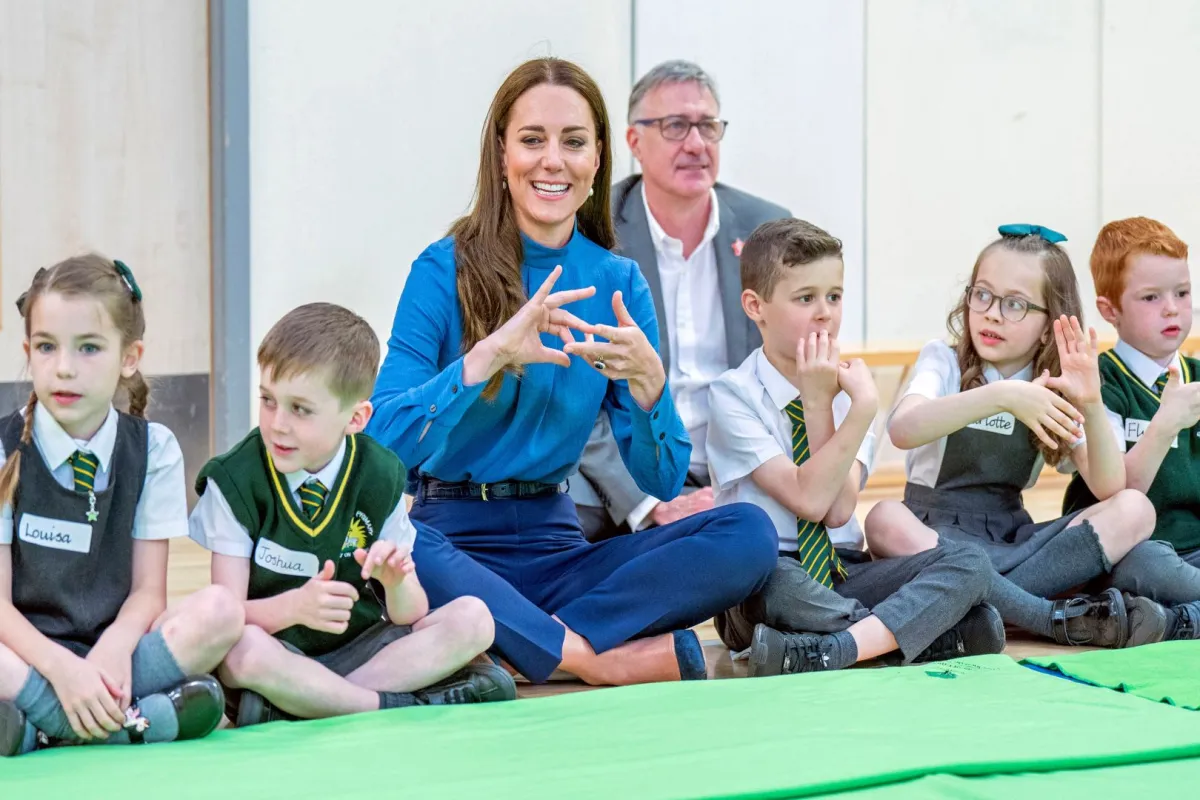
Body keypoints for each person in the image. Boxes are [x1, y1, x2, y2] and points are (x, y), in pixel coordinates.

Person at [366, 57, 777, 687]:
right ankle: (589, 658)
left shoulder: (617, 282)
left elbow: (662, 481)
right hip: (451, 542)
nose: (552, 160)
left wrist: (651, 391)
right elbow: (380, 443)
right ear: (501, 155)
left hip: (562, 553)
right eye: (532, 140)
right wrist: (487, 357)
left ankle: (511, 642)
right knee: (402, 544)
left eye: (573, 142)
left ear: (598, 160)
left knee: (748, 532)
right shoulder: (441, 267)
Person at [189, 303, 515, 726]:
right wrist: (294, 608)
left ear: (356, 418)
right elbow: (226, 615)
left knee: (474, 619)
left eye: (300, 409)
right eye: (268, 400)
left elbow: (409, 614)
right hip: (273, 656)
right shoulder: (235, 479)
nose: (277, 424)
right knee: (240, 651)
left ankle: (307, 706)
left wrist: (396, 583)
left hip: (361, 651)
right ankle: (385, 707)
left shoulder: (379, 475)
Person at [707, 218, 1004, 676]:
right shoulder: (732, 394)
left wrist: (853, 404)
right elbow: (810, 501)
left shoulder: (854, 389)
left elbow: (840, 511)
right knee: (779, 589)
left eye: (835, 296)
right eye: (806, 298)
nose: (825, 312)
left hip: (844, 569)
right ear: (755, 306)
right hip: (769, 575)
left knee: (968, 562)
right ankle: (922, 635)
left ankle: (835, 649)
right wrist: (824, 403)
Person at [864, 226, 1168, 649]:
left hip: (1012, 541)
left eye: (1015, 305)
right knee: (882, 518)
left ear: (1049, 327)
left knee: (1136, 509)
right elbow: (903, 429)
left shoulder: (1057, 383)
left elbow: (1109, 485)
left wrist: (1093, 403)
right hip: (933, 535)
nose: (991, 313)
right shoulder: (945, 361)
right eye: (982, 295)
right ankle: (1041, 616)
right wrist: (1003, 396)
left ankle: (973, 607)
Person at [0, 255, 241, 757]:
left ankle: (36, 730)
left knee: (220, 612)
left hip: (121, 660)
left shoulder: (153, 449)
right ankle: (131, 723)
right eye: (47, 347)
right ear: (28, 351)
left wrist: (113, 649)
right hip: (25, 656)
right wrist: (63, 671)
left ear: (129, 358)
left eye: (89, 348)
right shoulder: (4, 447)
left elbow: (149, 593)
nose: (63, 366)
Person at [570, 60, 791, 541]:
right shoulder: (591, 230)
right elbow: (575, 394)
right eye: (675, 126)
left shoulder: (765, 231)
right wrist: (648, 503)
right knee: (562, 515)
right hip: (630, 466)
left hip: (740, 465)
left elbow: (791, 373)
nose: (696, 144)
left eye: (708, 126)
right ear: (633, 142)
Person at [1062, 217, 1200, 639]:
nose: (1172, 308)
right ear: (1110, 311)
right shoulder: (1100, 381)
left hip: (1194, 552)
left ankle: (1179, 620)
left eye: (1182, 292)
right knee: (1148, 566)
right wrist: (1166, 423)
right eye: (1151, 297)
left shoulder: (1194, 376)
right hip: (1132, 553)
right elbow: (1121, 489)